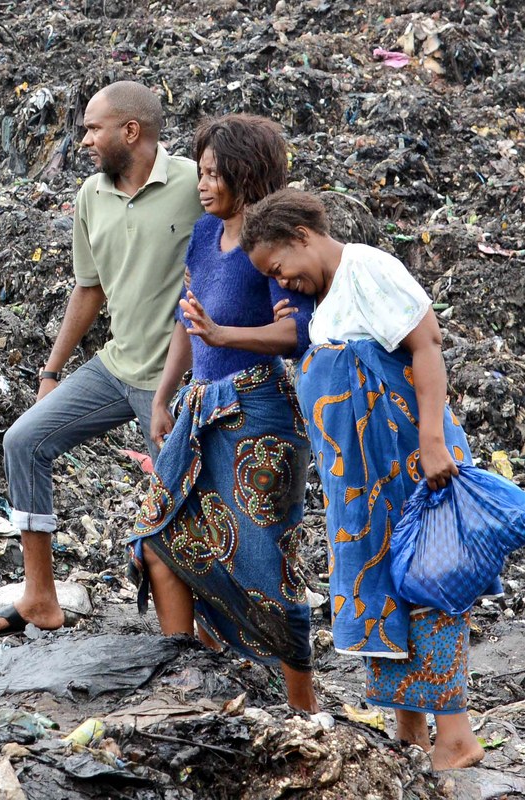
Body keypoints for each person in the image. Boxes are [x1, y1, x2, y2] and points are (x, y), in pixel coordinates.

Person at [239, 187, 486, 769]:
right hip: (366, 489)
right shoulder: (327, 301)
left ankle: (456, 737)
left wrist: (431, 440)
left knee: (428, 588)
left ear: (301, 236)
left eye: (280, 268)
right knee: (386, 595)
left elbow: (425, 346)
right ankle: (410, 734)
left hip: (410, 469)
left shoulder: (367, 268)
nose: (283, 282)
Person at [0, 81, 204, 636]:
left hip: (172, 379)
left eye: (94, 128)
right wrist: (51, 373)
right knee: (23, 441)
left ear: (131, 131)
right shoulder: (90, 197)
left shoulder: (195, 182)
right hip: (116, 366)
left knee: (181, 505)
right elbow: (88, 289)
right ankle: (40, 599)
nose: (85, 139)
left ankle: (190, 641)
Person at [127, 114, 319, 712]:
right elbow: (190, 324)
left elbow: (296, 332)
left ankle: (302, 706)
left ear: (247, 176)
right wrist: (163, 396)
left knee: (265, 561)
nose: (203, 185)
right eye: (201, 172)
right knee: (160, 538)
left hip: (259, 411)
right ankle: (187, 678)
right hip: (199, 410)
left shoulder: (273, 243)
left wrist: (224, 330)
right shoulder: (204, 237)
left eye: (215, 174)